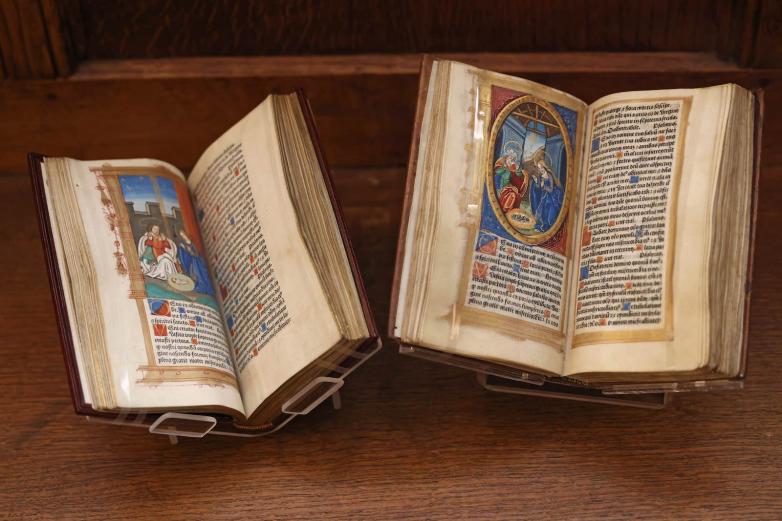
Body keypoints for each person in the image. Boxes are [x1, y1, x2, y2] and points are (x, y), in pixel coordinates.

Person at [528, 148, 564, 232]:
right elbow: (538, 187)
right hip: (543, 196)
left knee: (546, 210)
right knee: (540, 211)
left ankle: (546, 226)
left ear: (544, 167)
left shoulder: (549, 175)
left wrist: (544, 186)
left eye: (541, 168)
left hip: (550, 197)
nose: (540, 170)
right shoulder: (540, 176)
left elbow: (551, 189)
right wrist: (535, 181)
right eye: (539, 168)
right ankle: (540, 225)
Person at [176, 229, 215, 296]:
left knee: (200, 273)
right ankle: (201, 286)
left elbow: (196, 253)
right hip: (192, 261)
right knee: (195, 273)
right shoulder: (183, 245)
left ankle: (205, 287)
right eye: (181, 235)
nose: (183, 236)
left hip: (197, 261)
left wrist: (190, 251)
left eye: (183, 234)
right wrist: (182, 248)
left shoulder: (191, 242)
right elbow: (184, 255)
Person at [494, 147, 528, 212]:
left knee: (515, 193)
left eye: (513, 158)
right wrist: (506, 169)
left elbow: (518, 174)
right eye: (510, 158)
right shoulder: (502, 162)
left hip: (514, 183)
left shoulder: (514, 164)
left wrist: (518, 171)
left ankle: (511, 209)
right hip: (505, 184)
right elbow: (497, 170)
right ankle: (506, 208)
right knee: (512, 195)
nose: (511, 159)